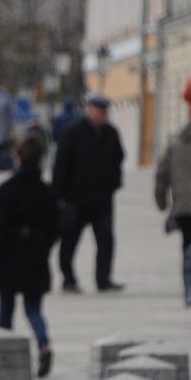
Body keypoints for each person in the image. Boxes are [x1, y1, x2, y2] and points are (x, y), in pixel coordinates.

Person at [0, 132, 60, 378]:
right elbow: (54, 227)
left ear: (18, 158)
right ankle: (44, 345)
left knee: (5, 309)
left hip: (8, 256)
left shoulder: (7, 189)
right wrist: (43, 246)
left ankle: (2, 357)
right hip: (35, 256)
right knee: (34, 309)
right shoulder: (46, 191)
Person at [52, 93, 127, 293]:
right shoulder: (73, 133)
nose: (102, 114)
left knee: (106, 241)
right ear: (89, 110)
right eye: (98, 110)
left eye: (104, 111)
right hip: (75, 199)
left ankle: (103, 279)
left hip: (102, 199)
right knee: (70, 241)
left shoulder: (111, 133)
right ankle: (68, 279)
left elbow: (119, 158)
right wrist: (58, 196)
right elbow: (60, 167)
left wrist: (115, 181)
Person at [155, 82, 191, 267]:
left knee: (188, 248)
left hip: (182, 208)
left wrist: (161, 198)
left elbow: (162, 173)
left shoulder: (177, 141)